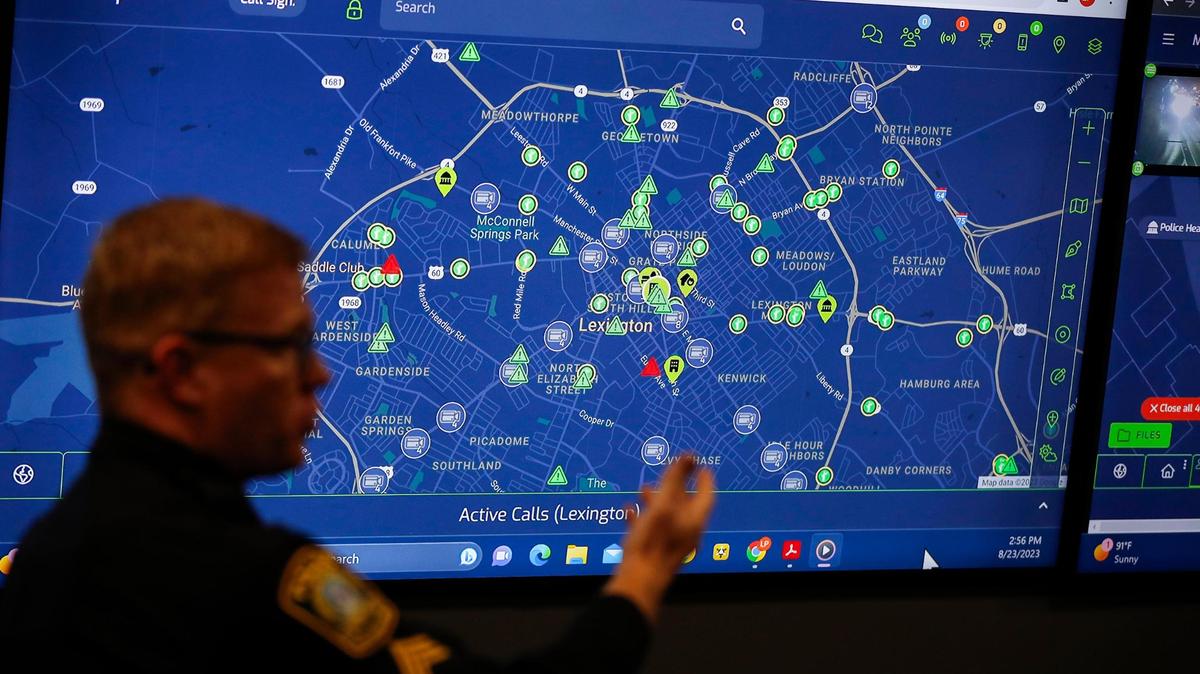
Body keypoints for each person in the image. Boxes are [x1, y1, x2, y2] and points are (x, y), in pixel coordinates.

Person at [0, 198, 716, 672]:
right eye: (287, 346)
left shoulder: (44, 560)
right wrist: (646, 568)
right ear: (182, 371)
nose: (320, 373)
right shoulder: (254, 585)